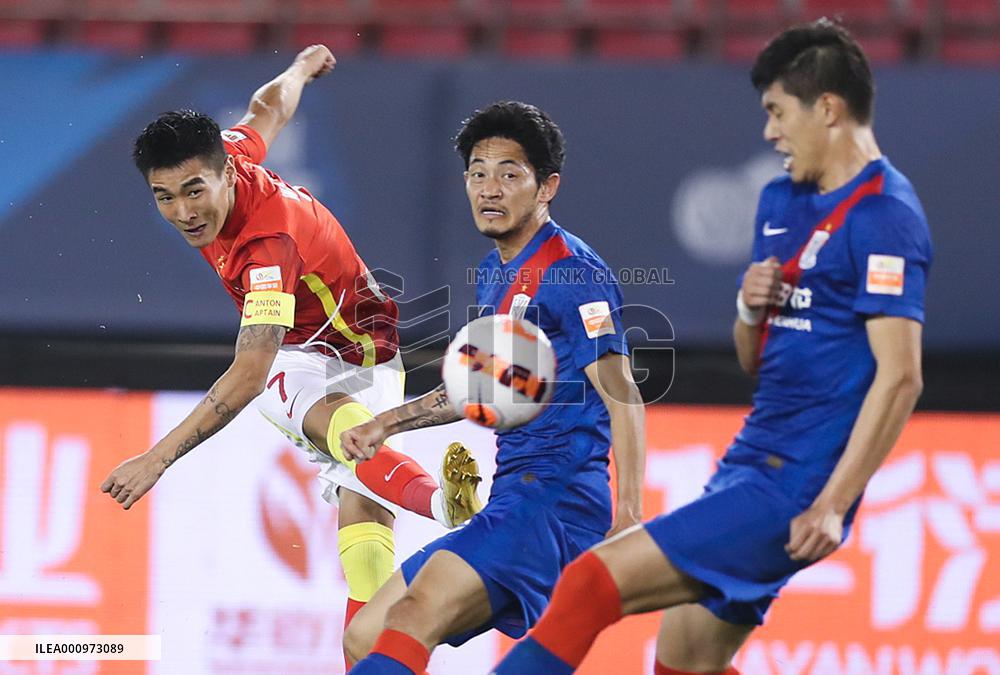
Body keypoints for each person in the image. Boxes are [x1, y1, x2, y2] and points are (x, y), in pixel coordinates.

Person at [493, 19, 932, 675]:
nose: (770, 132)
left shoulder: (884, 216)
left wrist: (834, 502)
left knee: (589, 585)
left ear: (828, 109)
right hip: (748, 462)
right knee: (685, 658)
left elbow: (900, 377)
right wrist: (750, 309)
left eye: (778, 112)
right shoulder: (781, 200)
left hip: (799, 483)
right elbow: (754, 359)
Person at [99, 45, 483, 646]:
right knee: (366, 557)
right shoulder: (231, 153)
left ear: (225, 176)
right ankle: (439, 518)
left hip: (313, 353)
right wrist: (301, 69)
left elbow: (249, 375)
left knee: (296, 399)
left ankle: (443, 509)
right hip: (376, 346)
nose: (183, 212)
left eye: (194, 192)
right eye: (164, 196)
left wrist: (156, 459)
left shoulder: (266, 249)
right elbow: (268, 108)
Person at [339, 101, 647, 674]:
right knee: (364, 636)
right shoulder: (493, 272)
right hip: (513, 495)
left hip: (553, 501)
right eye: (478, 173)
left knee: (410, 617)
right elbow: (478, 387)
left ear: (547, 186)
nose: (489, 188)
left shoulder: (573, 271)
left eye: (509, 174)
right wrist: (385, 424)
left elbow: (621, 390)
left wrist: (628, 513)